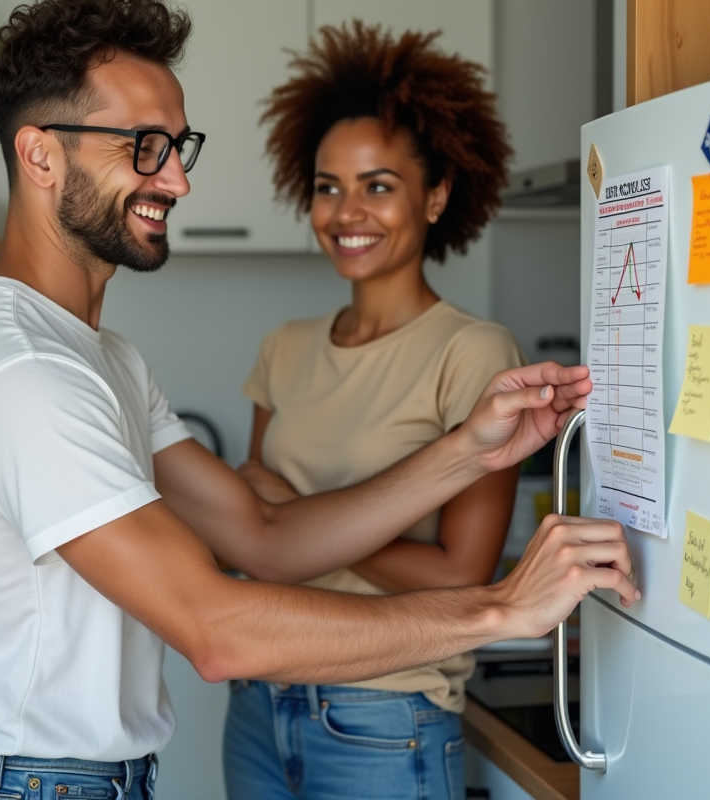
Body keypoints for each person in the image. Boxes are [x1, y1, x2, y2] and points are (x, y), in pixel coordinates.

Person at [0, 2, 638, 799]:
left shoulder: (103, 357)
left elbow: (264, 535)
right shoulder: (24, 371)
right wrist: (500, 609)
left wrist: (468, 450)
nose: (177, 180)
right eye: (144, 146)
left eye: (178, 147)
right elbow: (216, 629)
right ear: (41, 155)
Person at [223, 22, 524, 799]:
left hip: (385, 716)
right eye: (328, 187)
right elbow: (255, 537)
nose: (345, 211)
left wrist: (296, 517)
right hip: (258, 699)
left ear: (437, 195)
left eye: (378, 186)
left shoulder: (473, 353)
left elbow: (462, 577)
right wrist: (278, 526)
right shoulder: (285, 347)